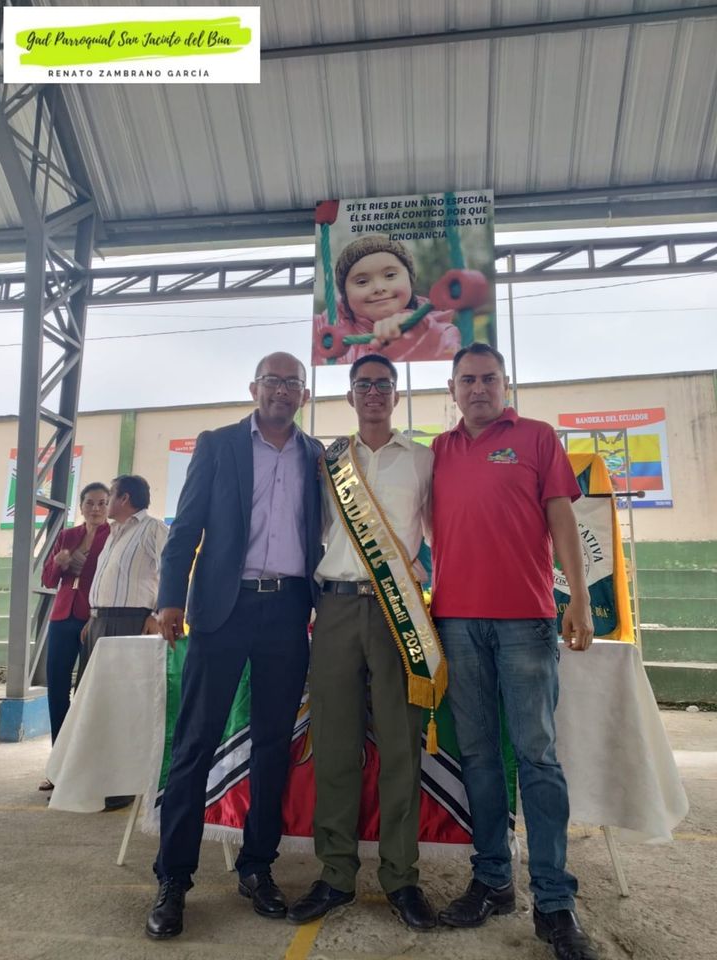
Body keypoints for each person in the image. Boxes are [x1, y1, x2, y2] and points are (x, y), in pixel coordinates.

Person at [430, 342, 599, 960]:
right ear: (452, 389)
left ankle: (554, 902)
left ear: (505, 385)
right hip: (455, 622)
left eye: (489, 379)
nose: (478, 389)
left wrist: (577, 597)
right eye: (467, 380)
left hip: (527, 620)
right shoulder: (438, 450)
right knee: (478, 756)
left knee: (537, 758)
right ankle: (493, 880)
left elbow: (561, 521)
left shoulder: (536, 438)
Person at [146, 352, 323, 941]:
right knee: (194, 744)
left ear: (303, 395)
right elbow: (185, 528)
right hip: (222, 610)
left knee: (273, 746)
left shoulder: (318, 457)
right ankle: (174, 879)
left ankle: (257, 867)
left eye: (292, 383)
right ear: (254, 387)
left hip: (288, 612)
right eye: (272, 381)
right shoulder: (218, 445)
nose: (281, 390)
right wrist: (170, 599)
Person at [288, 354, 440, 932]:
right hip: (334, 609)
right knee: (334, 743)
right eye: (362, 385)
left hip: (397, 614)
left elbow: (443, 537)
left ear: (395, 395)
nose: (373, 392)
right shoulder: (326, 462)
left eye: (383, 384)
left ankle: (401, 877)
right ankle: (335, 873)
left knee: (400, 747)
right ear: (350, 396)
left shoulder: (424, 460)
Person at [38, 482, 110, 789]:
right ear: (81, 506)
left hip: (92, 619)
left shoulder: (114, 536)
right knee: (56, 689)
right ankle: (58, 765)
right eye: (90, 502)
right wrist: (59, 563)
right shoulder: (67, 536)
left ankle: (86, 766)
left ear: (109, 506)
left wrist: (96, 615)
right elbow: (48, 579)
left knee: (87, 692)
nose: (96, 508)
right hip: (62, 617)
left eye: (102, 502)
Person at [313, 235, 460, 364]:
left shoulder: (440, 331)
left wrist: (418, 339)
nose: (379, 288)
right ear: (345, 293)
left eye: (390, 275)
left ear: (410, 279)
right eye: (362, 282)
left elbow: (450, 359)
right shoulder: (324, 328)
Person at [80, 474, 167, 677]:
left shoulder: (154, 528)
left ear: (124, 498)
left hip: (131, 623)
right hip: (99, 622)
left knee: (122, 688)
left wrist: (157, 615)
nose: (106, 502)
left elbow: (170, 572)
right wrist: (94, 618)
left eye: (110, 495)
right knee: (94, 690)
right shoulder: (113, 533)